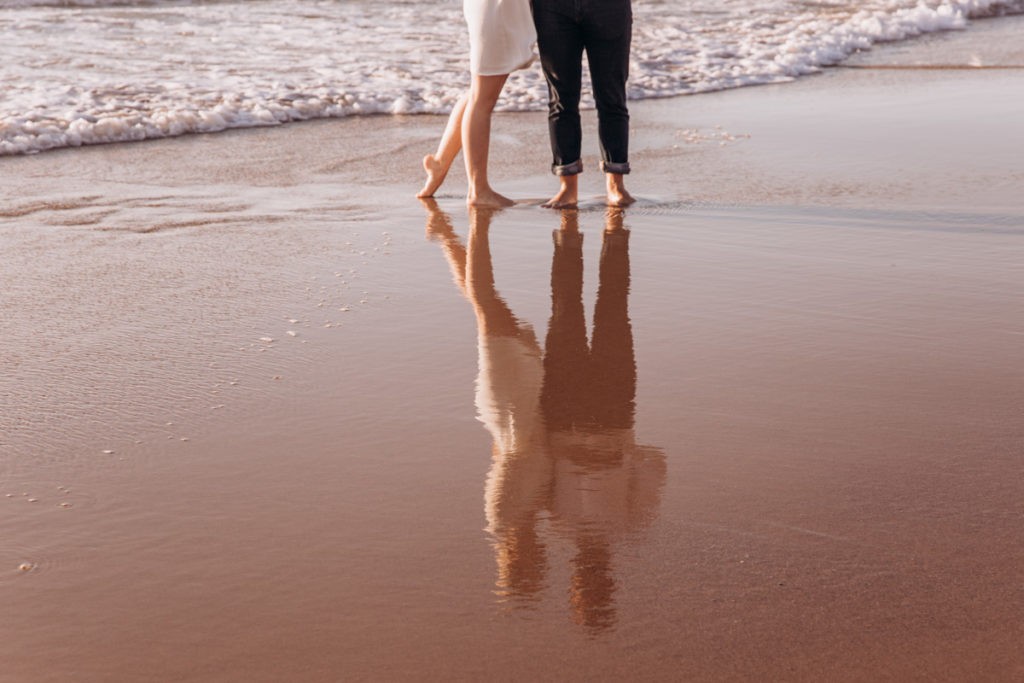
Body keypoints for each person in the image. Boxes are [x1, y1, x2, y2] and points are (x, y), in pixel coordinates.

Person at [417, 0, 536, 208]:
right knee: (482, 99)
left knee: (479, 91)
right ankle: (478, 190)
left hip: (496, 9)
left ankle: (440, 163)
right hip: (495, 10)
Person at [532, 0, 635, 208]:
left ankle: (616, 184)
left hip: (609, 7)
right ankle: (567, 187)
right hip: (552, 8)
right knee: (561, 99)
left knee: (612, 96)